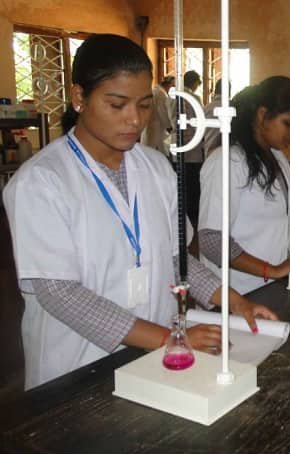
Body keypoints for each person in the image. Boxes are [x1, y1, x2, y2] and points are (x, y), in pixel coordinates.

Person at [2, 34, 276, 390]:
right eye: (117, 105)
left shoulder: (156, 168)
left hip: (154, 356)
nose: (134, 119)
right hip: (78, 366)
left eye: (144, 105)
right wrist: (169, 339)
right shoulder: (42, 181)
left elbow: (176, 258)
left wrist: (235, 302)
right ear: (79, 97)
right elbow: (60, 293)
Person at [199, 76, 290, 294]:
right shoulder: (227, 161)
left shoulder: (278, 158)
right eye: (288, 123)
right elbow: (211, 241)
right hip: (236, 292)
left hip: (270, 285)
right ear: (262, 115)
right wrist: (270, 270)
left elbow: (283, 221)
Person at [174, 70, 204, 228]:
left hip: (177, 145)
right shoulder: (194, 98)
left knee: (180, 181)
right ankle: (192, 215)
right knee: (192, 184)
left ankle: (181, 211)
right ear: (194, 83)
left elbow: (170, 120)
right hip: (193, 146)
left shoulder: (174, 97)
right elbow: (200, 122)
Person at [141, 75, 174, 156]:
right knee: (155, 154)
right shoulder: (161, 94)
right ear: (169, 84)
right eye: (173, 86)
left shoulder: (154, 91)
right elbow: (163, 113)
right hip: (157, 129)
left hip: (150, 127)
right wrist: (170, 126)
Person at [203, 78, 229, 159]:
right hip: (227, 152)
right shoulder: (232, 108)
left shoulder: (206, 108)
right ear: (229, 91)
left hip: (208, 151)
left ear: (215, 90)